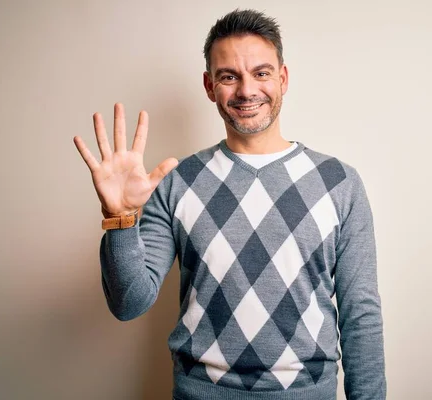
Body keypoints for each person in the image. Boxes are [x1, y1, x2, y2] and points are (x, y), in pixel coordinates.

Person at [73, 9, 386, 400]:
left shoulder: (339, 183)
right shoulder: (176, 183)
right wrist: (119, 218)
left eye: (261, 73)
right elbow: (129, 303)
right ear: (209, 86)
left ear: (283, 79)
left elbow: (361, 315)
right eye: (228, 76)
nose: (246, 91)